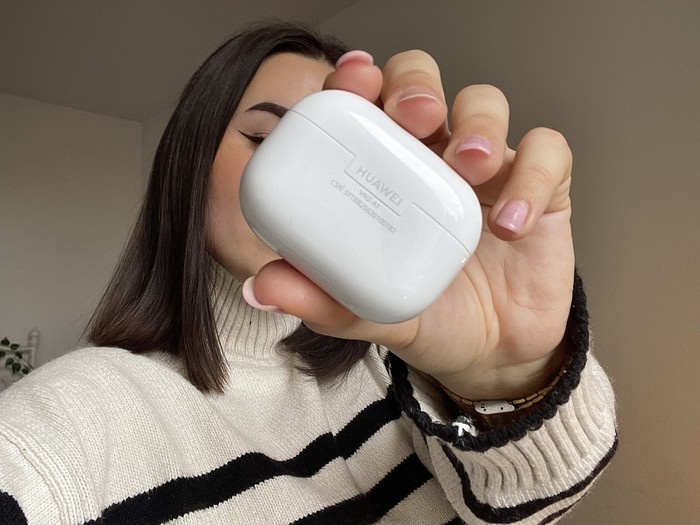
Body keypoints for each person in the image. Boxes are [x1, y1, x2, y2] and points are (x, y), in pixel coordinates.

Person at [0, 21, 617, 524]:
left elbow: (530, 507)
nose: (319, 183)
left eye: (345, 161)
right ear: (189, 162)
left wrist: (506, 376)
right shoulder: (67, 427)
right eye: (268, 136)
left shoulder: (405, 371)